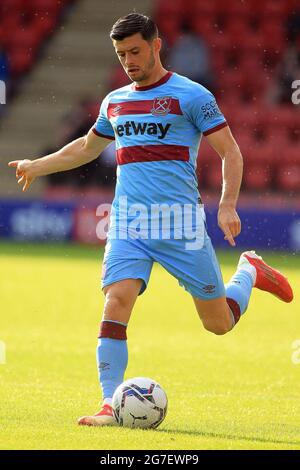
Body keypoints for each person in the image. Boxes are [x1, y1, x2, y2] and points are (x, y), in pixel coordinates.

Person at [8, 13, 294, 427]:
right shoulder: (115, 101)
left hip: (181, 226)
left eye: (135, 51)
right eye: (121, 54)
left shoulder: (192, 96)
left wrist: (227, 204)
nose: (128, 61)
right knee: (116, 300)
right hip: (129, 224)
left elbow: (231, 152)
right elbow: (87, 147)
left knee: (218, 324)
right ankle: (109, 402)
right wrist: (38, 165)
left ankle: (248, 271)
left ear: (157, 45)